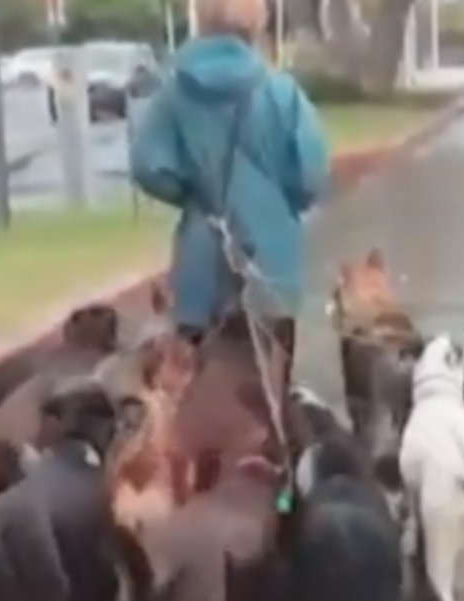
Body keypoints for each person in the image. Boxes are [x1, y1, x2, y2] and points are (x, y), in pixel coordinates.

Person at [130, 0, 330, 367]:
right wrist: (280, 205)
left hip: (200, 265)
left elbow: (148, 166)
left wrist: (189, 194)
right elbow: (312, 174)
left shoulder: (174, 94)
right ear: (258, 23)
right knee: (268, 393)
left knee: (198, 390)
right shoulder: (282, 93)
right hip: (272, 264)